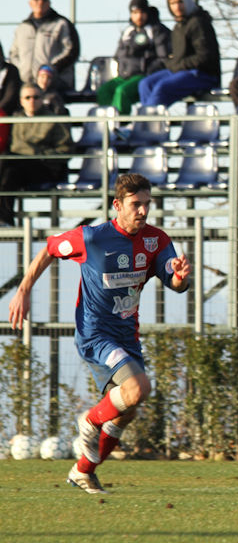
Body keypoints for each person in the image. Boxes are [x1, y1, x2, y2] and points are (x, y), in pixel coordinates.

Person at [7, 173, 191, 493]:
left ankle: (83, 471)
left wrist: (179, 277)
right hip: (95, 334)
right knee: (138, 389)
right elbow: (50, 248)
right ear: (117, 205)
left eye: (147, 204)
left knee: (127, 411)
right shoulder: (91, 238)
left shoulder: (156, 240)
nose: (144, 212)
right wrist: (23, 290)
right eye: (136, 205)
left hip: (126, 336)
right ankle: (89, 422)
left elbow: (175, 284)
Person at [0, 84, 73, 225]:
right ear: (21, 101)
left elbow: (66, 149)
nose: (32, 101)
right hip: (17, 167)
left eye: (36, 97)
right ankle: (4, 216)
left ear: (42, 99)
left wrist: (42, 154)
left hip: (44, 167)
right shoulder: (15, 120)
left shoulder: (53, 120)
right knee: (8, 169)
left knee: (9, 167)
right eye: (28, 97)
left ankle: (5, 217)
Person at [137, 0, 221, 108]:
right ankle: (150, 120)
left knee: (163, 87)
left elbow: (204, 57)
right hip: (181, 71)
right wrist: (172, 64)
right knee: (145, 84)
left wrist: (177, 65)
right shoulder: (178, 27)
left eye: (180, 2)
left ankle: (146, 123)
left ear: (187, 1)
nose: (177, 7)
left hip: (202, 75)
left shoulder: (198, 23)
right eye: (172, 3)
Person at [97, 0, 171, 114]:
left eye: (142, 12)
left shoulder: (157, 30)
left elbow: (163, 58)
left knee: (122, 91)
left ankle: (121, 125)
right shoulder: (128, 32)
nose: (139, 16)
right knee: (104, 90)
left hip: (144, 76)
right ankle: (105, 125)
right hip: (125, 76)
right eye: (135, 12)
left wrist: (147, 69)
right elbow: (118, 56)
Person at [9, 0, 80, 92]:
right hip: (25, 83)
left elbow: (72, 51)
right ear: (30, 3)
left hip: (54, 84)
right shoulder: (22, 27)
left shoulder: (62, 24)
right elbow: (13, 54)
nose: (40, 2)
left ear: (50, 3)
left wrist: (50, 69)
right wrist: (21, 69)